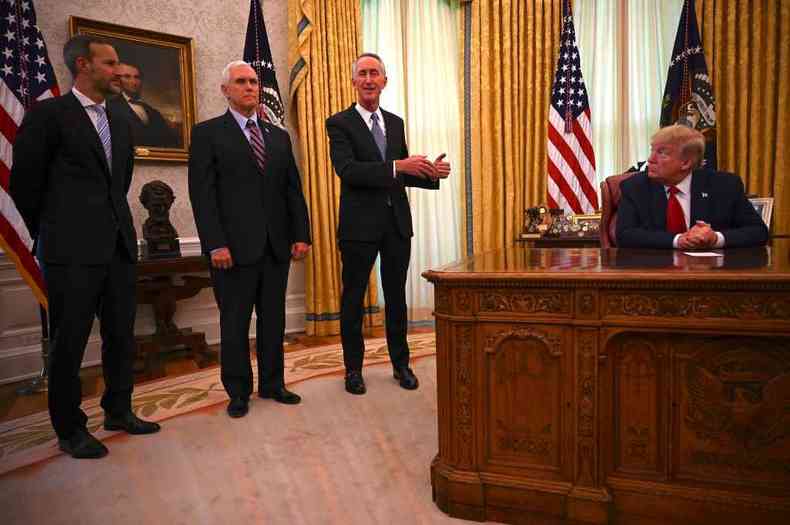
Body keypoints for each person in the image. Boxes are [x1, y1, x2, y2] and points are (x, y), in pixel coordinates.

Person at [9, 35, 160, 459]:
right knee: (70, 341)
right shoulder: (49, 115)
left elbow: (120, 182)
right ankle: (70, 428)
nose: (118, 71)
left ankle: (119, 410)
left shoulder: (119, 118)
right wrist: (57, 230)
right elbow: (24, 185)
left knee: (120, 336)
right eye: (110, 63)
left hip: (118, 246)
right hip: (70, 251)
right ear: (83, 65)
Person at [188, 61, 311, 418]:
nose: (250, 88)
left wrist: (300, 234)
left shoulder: (278, 137)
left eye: (254, 82)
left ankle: (273, 383)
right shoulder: (208, 134)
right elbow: (203, 195)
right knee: (235, 322)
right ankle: (238, 391)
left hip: (276, 247)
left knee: (274, 320)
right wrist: (215, 244)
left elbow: (292, 191)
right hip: (233, 250)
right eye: (241, 82)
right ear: (225, 89)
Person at [325, 53, 450, 395]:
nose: (369, 79)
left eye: (375, 74)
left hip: (396, 224)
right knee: (352, 299)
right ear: (354, 81)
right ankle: (353, 370)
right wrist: (399, 166)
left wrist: (431, 174)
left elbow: (402, 173)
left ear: (384, 81)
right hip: (358, 228)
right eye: (363, 74)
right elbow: (348, 171)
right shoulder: (339, 123)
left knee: (396, 298)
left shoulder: (394, 122)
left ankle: (401, 365)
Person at [616, 124, 768, 250]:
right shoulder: (635, 187)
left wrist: (716, 238)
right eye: (652, 150)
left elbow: (758, 232)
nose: (650, 159)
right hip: (655, 273)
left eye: (662, 153)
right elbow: (625, 235)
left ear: (686, 163)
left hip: (712, 274)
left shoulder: (725, 186)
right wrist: (678, 240)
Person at [110, 62, 180, 148]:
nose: (134, 82)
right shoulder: (110, 107)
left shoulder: (153, 112)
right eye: (127, 77)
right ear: (117, 80)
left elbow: (169, 141)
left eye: (137, 77)